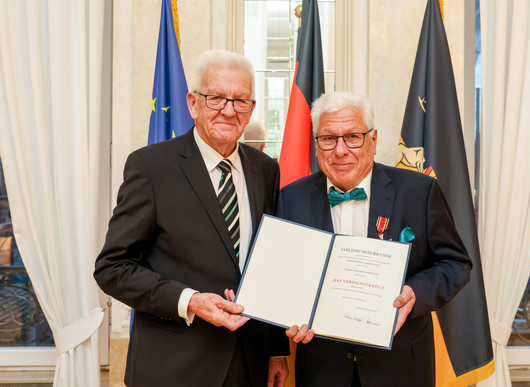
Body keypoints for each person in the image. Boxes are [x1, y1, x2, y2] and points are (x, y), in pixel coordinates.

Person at [94, 50, 289, 387]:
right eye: (216, 98)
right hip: (173, 367)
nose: (228, 110)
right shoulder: (151, 167)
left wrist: (276, 350)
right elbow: (112, 269)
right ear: (192, 103)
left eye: (240, 100)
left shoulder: (266, 170)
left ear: (252, 109)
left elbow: (267, 265)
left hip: (250, 364)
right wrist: (191, 301)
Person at [277, 91, 472, 387]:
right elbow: (283, 276)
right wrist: (289, 313)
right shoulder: (291, 198)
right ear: (316, 144)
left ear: (373, 139)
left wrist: (414, 293)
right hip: (321, 368)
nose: (340, 150)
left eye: (353, 137)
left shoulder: (419, 192)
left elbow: (456, 263)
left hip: (400, 366)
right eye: (328, 138)